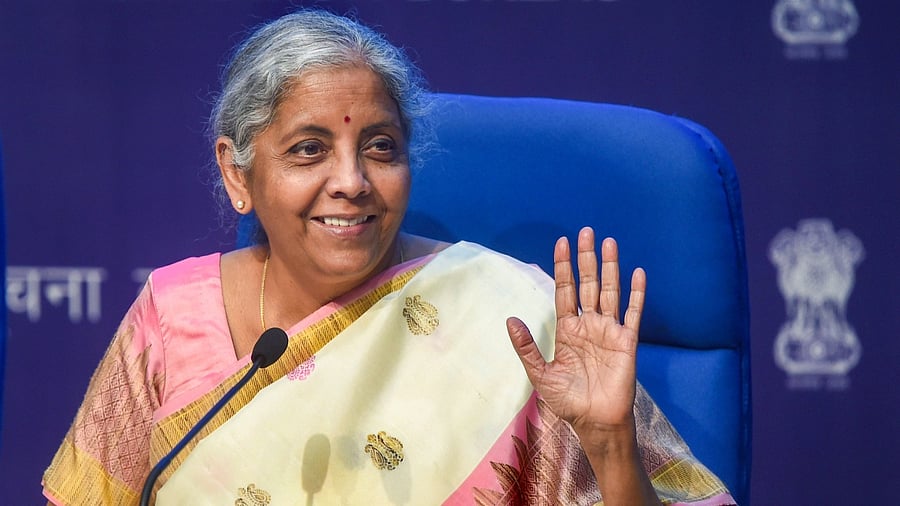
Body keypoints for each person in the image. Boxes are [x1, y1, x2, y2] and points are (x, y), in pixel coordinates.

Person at [43, 9, 736, 506]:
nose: (352, 180)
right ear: (237, 173)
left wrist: (611, 443)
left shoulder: (513, 319)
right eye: (309, 149)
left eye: (380, 147)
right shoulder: (168, 322)